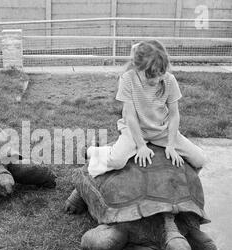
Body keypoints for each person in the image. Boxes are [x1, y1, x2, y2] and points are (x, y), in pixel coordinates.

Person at [87, 40, 206, 178]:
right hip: (134, 130)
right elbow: (129, 116)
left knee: (199, 160)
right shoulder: (127, 79)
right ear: (137, 67)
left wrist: (171, 145)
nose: (156, 79)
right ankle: (94, 152)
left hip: (161, 131)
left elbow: (174, 115)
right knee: (117, 161)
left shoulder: (169, 80)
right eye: (151, 75)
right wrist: (141, 145)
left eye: (160, 73)